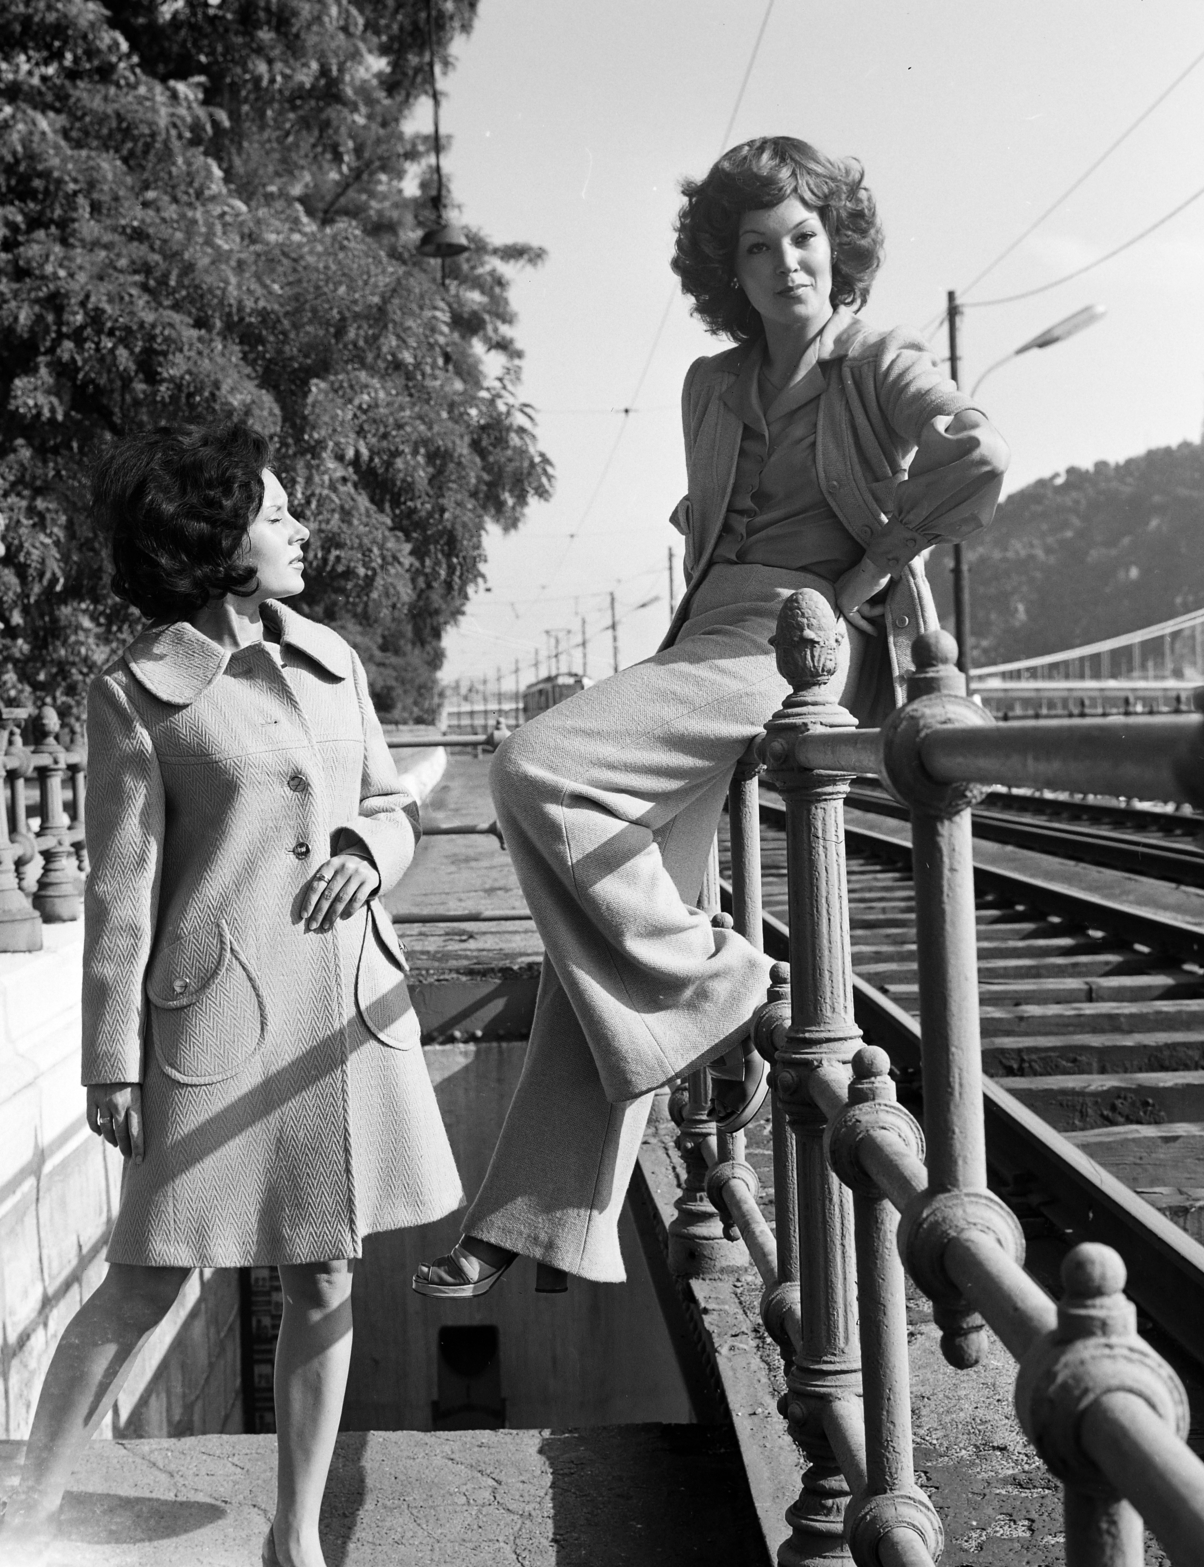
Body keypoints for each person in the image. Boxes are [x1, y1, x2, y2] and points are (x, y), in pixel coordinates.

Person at [414, 135, 1008, 1299]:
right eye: (757, 246)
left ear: (837, 251)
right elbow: (707, 541)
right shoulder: (709, 384)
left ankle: (722, 987)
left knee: (533, 768)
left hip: (793, 655)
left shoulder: (874, 357)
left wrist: (857, 580)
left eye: (804, 238)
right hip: (702, 650)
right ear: (724, 272)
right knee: (600, 940)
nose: (787, 261)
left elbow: (977, 456)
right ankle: (528, 1220)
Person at [0, 423, 462, 1567]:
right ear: (219, 541)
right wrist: (109, 1058)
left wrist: (370, 844)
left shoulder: (335, 659)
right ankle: (29, 1504)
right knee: (150, 1278)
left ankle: (294, 1536)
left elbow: (397, 806)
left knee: (328, 1265)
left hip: (341, 1011)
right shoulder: (137, 693)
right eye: (276, 509)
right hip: (211, 1017)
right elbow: (120, 887)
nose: (300, 527)